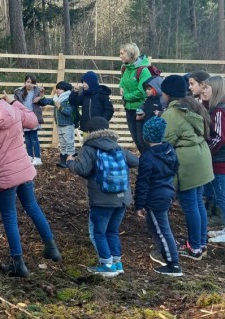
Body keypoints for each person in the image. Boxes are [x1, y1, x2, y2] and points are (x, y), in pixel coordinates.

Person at [0, 80, 62, 277]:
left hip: (4, 177)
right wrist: (14, 102)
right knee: (32, 207)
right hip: (23, 169)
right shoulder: (11, 109)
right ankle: (51, 246)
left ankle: (18, 263)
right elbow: (33, 121)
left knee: (10, 217)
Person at [67, 117, 139, 277]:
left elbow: (82, 170)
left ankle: (106, 265)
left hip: (102, 200)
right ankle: (117, 263)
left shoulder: (88, 148)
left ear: (89, 132)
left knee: (99, 232)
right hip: (122, 198)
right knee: (112, 231)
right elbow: (135, 161)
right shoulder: (118, 147)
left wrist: (70, 162)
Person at [160, 75, 213, 260]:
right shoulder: (193, 106)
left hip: (188, 162)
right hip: (201, 158)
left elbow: (166, 139)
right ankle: (200, 243)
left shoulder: (172, 113)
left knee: (190, 205)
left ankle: (194, 248)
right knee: (197, 202)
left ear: (167, 93)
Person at [134, 117, 182, 276]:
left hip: (156, 197)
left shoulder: (147, 157)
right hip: (167, 192)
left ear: (146, 136)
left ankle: (173, 265)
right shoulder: (169, 150)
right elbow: (175, 169)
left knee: (163, 230)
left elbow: (143, 183)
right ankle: (165, 253)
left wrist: (139, 205)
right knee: (153, 225)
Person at [201, 76, 225, 240]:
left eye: (206, 88)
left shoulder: (219, 111)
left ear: (215, 89)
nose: (203, 91)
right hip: (219, 160)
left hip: (220, 161)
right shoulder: (215, 108)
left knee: (221, 196)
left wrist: (205, 152)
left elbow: (219, 138)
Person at [118, 42, 151, 152]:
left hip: (140, 109)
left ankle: (148, 160)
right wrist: (120, 86)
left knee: (142, 141)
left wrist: (126, 97)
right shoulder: (125, 68)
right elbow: (122, 81)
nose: (120, 56)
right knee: (136, 140)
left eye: (122, 53)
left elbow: (142, 92)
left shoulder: (143, 71)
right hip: (129, 109)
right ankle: (144, 159)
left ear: (130, 54)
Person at [13, 74, 51, 166]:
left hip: (34, 118)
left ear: (34, 84)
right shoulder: (19, 92)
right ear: (25, 82)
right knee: (27, 138)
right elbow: (15, 104)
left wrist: (41, 96)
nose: (29, 84)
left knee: (34, 138)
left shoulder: (37, 91)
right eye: (28, 82)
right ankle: (29, 156)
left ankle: (37, 157)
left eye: (32, 82)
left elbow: (44, 103)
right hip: (24, 117)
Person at [53, 81, 76, 168]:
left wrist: (59, 107)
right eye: (57, 88)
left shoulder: (69, 99)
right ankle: (62, 161)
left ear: (66, 90)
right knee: (62, 143)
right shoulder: (56, 99)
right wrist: (42, 96)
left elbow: (69, 112)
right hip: (60, 125)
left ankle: (71, 162)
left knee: (69, 143)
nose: (57, 90)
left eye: (60, 89)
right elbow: (47, 101)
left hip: (68, 125)